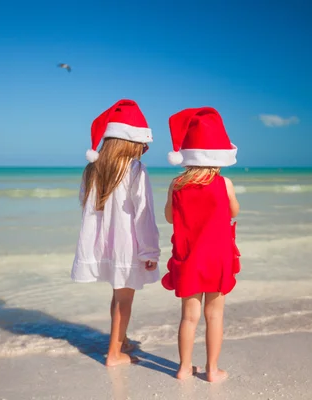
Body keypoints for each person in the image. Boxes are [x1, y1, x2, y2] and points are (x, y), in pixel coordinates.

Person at [71, 99, 161, 367]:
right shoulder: (135, 170)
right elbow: (144, 213)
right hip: (126, 244)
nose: (144, 150)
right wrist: (149, 250)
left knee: (117, 293)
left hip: (104, 245)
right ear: (131, 141)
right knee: (125, 299)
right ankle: (114, 354)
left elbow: (85, 205)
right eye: (142, 144)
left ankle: (120, 340)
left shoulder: (93, 169)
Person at [161, 107, 241, 382]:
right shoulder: (224, 184)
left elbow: (170, 217)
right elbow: (234, 212)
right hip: (218, 259)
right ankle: (212, 370)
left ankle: (184, 368)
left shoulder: (177, 185)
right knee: (214, 316)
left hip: (188, 258)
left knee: (189, 317)